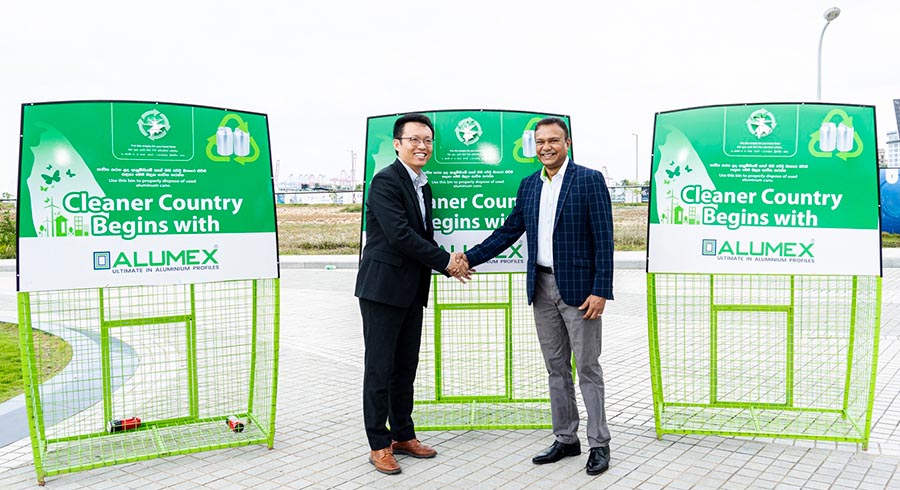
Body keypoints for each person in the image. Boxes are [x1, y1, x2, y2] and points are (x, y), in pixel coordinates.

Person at [461, 117, 614, 476]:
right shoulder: (529, 185)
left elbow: (605, 239)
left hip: (579, 291)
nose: (546, 147)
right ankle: (566, 438)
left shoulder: (589, 180)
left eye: (554, 141)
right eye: (541, 142)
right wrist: (468, 258)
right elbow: (509, 231)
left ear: (568, 143)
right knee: (556, 368)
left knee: (588, 368)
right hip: (541, 288)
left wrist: (601, 289)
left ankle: (599, 444)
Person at [355, 113, 470, 475]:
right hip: (383, 290)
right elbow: (400, 236)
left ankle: (403, 435)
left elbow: (423, 237)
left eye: (428, 140)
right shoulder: (386, 181)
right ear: (397, 144)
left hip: (411, 290)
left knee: (405, 368)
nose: (423, 146)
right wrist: (447, 263)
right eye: (415, 139)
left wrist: (447, 263)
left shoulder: (424, 185)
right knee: (379, 370)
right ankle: (378, 444)